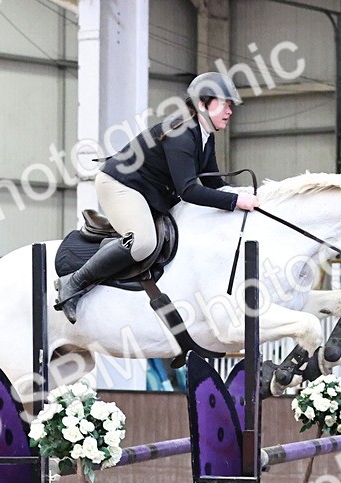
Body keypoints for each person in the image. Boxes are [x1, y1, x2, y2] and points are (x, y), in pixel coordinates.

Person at [55, 71, 261, 323]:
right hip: (119, 184)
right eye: (224, 103)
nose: (230, 110)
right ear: (202, 103)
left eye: (231, 105)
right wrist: (236, 201)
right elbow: (188, 190)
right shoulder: (181, 133)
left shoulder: (205, 136)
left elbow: (213, 182)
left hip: (146, 192)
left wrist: (244, 194)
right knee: (143, 243)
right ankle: (72, 284)